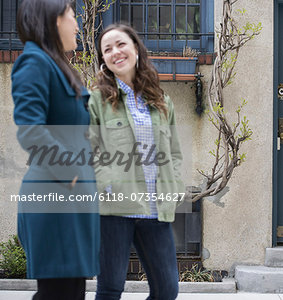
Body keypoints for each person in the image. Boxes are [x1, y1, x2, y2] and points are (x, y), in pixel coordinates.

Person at [88, 23, 184, 300]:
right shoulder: (97, 101)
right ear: (103, 60)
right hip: (113, 209)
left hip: (155, 209)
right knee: (110, 288)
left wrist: (175, 188)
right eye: (107, 49)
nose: (115, 52)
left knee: (167, 289)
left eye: (121, 44)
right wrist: (108, 184)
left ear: (136, 49)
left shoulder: (161, 100)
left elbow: (174, 153)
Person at [11, 0, 100, 299]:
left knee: (71, 293)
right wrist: (72, 173)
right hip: (56, 199)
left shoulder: (58, 65)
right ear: (52, 19)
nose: (78, 24)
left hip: (71, 203)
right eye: (73, 16)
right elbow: (31, 130)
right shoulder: (34, 62)